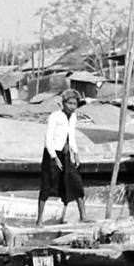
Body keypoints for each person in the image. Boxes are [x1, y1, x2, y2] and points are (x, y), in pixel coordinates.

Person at [37, 88, 87, 224]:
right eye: (69, 103)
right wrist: (54, 157)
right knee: (47, 185)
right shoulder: (55, 116)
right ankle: (39, 220)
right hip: (52, 153)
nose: (72, 107)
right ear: (63, 103)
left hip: (66, 154)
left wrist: (75, 153)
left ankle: (83, 217)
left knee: (76, 182)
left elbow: (72, 136)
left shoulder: (74, 117)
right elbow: (48, 139)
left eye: (74, 104)